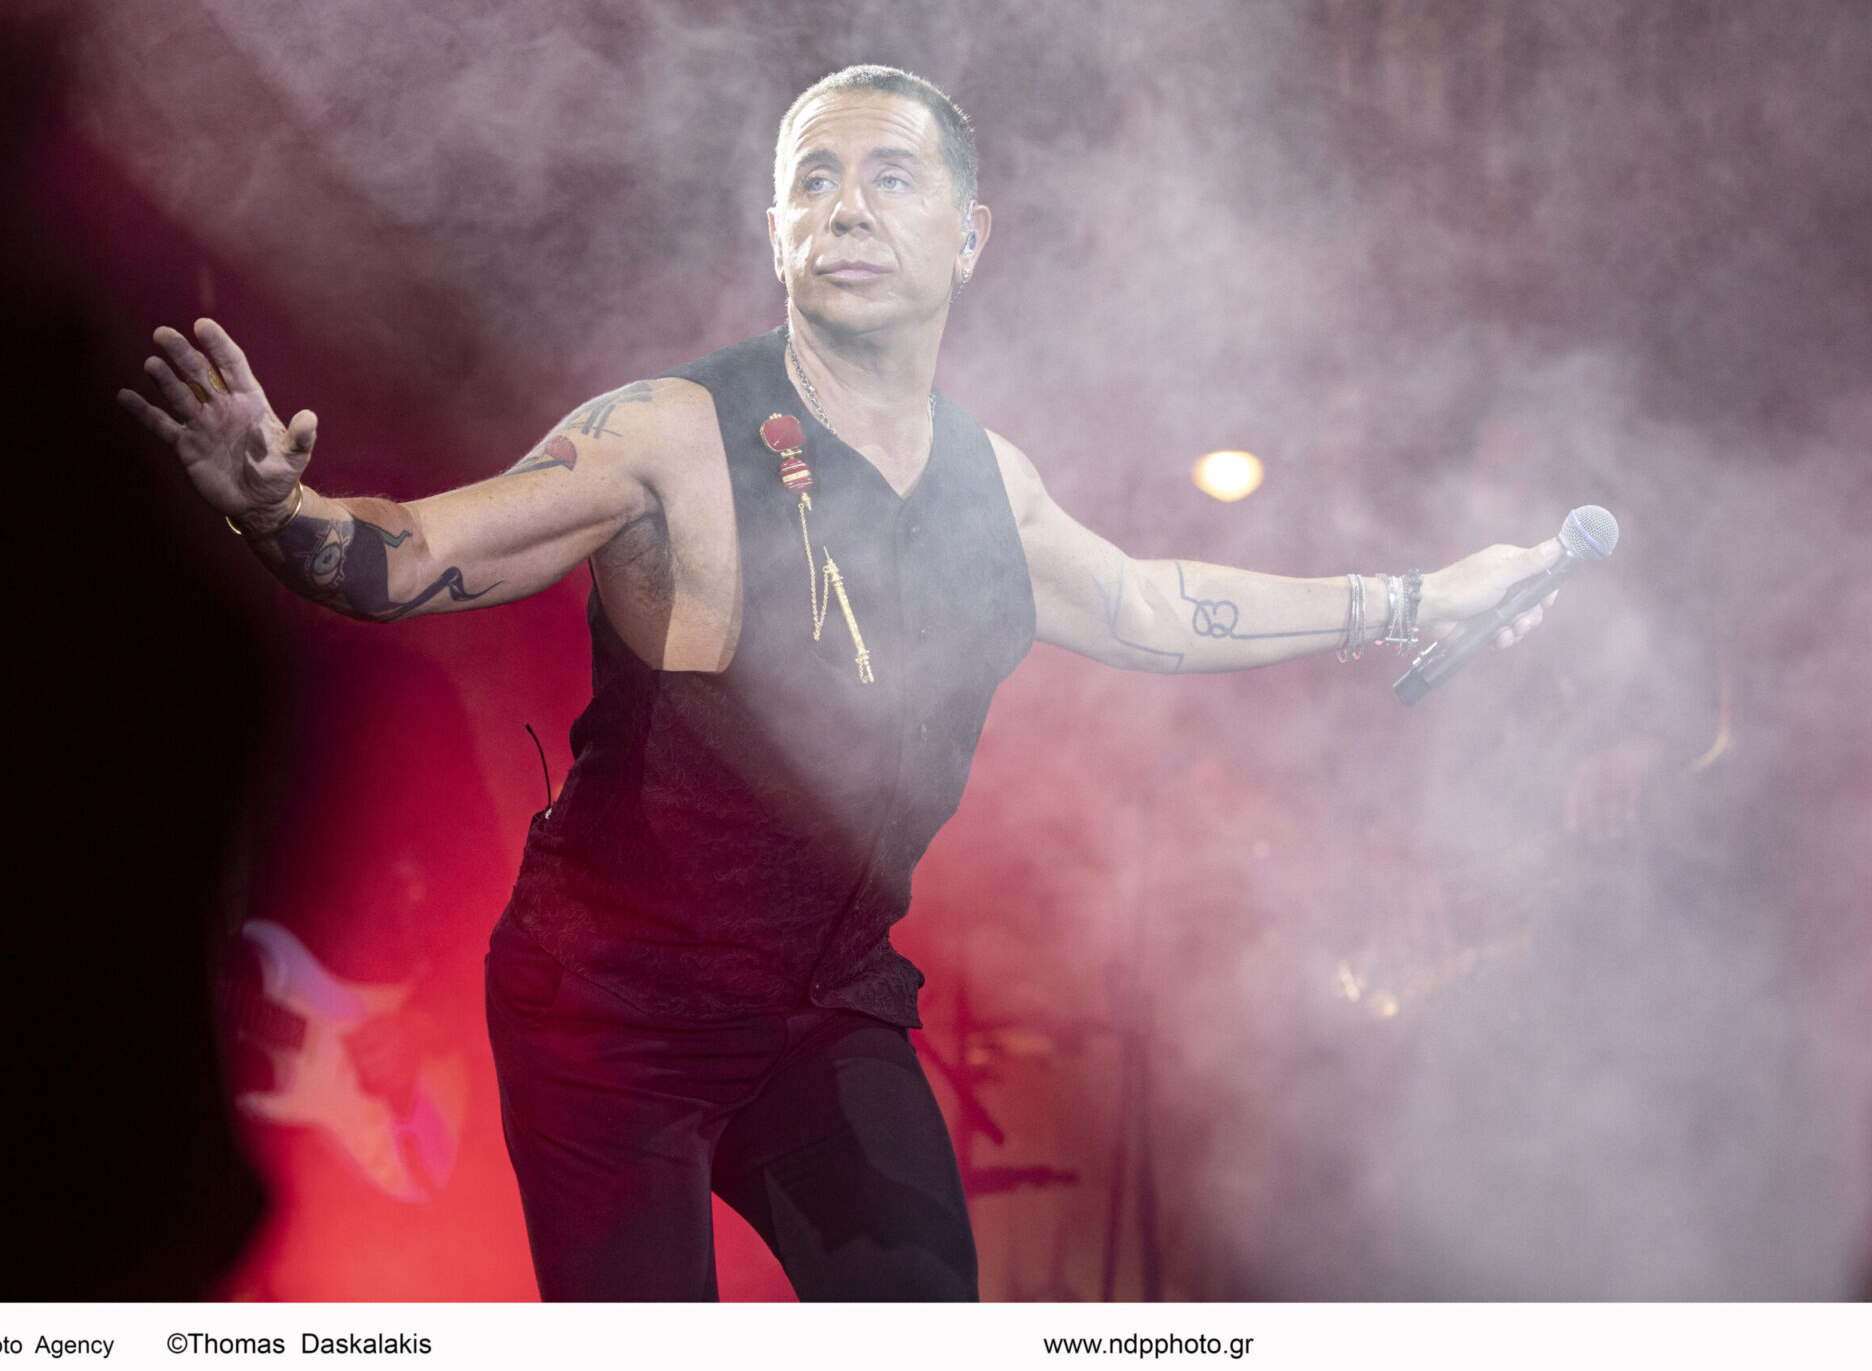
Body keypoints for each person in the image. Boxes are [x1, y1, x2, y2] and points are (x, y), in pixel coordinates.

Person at [117, 65, 1559, 1301]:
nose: (846, 208)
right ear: (775, 231)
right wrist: (280, 515)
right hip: (606, 1013)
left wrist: (1418, 599)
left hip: (823, 1006)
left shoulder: (992, 485)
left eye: (889, 178)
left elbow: (1155, 606)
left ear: (970, 235)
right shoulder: (669, 435)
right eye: (811, 181)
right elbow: (416, 554)